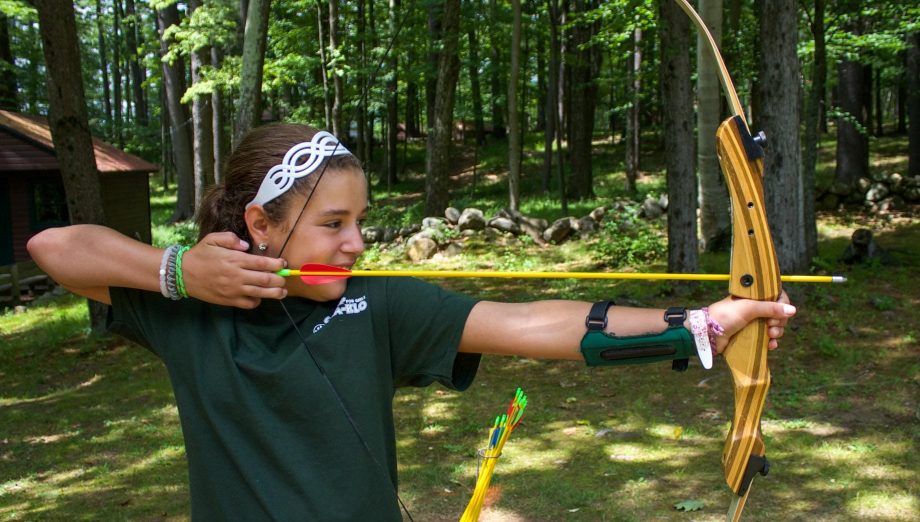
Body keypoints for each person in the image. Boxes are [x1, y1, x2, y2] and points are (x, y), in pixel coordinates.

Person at [27, 123, 795, 520]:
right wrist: (178, 271)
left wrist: (698, 323)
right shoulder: (186, 315)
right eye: (333, 224)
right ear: (261, 225)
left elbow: (531, 324)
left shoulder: (377, 306)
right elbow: (54, 246)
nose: (357, 243)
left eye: (360, 220)